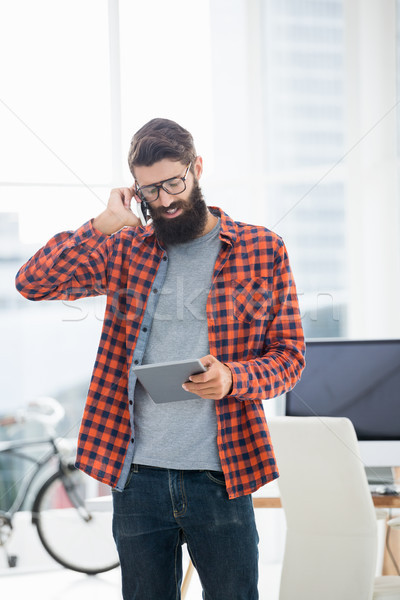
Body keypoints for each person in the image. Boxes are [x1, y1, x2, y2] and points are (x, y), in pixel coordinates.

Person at [16, 118, 305, 599]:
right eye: (150, 191)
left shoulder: (262, 249)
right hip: (137, 477)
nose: (166, 200)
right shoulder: (127, 249)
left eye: (174, 182)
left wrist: (234, 377)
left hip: (222, 473)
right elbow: (33, 282)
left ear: (197, 168)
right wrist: (100, 226)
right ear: (135, 191)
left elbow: (290, 357)